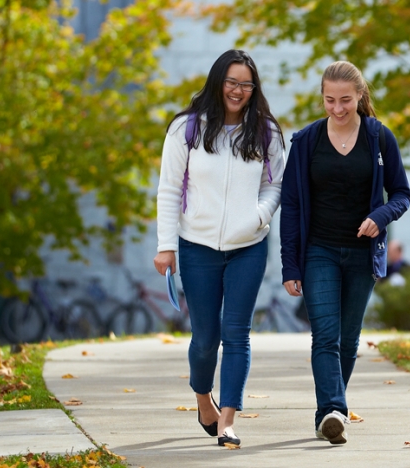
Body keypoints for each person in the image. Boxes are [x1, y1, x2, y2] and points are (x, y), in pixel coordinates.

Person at [153, 49, 285, 447]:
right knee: (205, 337)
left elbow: (275, 184)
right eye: (231, 82)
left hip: (249, 247)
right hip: (197, 247)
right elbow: (169, 190)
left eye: (246, 84)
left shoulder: (265, 132)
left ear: (253, 88)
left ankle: (228, 420)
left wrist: (259, 217)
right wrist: (166, 246)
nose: (238, 90)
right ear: (218, 81)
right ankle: (202, 398)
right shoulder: (186, 129)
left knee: (237, 333)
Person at [279, 61, 410, 444]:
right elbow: (291, 206)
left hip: (361, 253)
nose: (337, 109)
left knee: (348, 340)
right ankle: (335, 410)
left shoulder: (379, 138)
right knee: (324, 336)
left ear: (360, 96)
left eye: (346, 101)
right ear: (322, 98)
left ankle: (329, 412)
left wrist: (380, 216)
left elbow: (401, 193)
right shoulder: (306, 142)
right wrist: (291, 265)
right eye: (329, 100)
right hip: (318, 249)